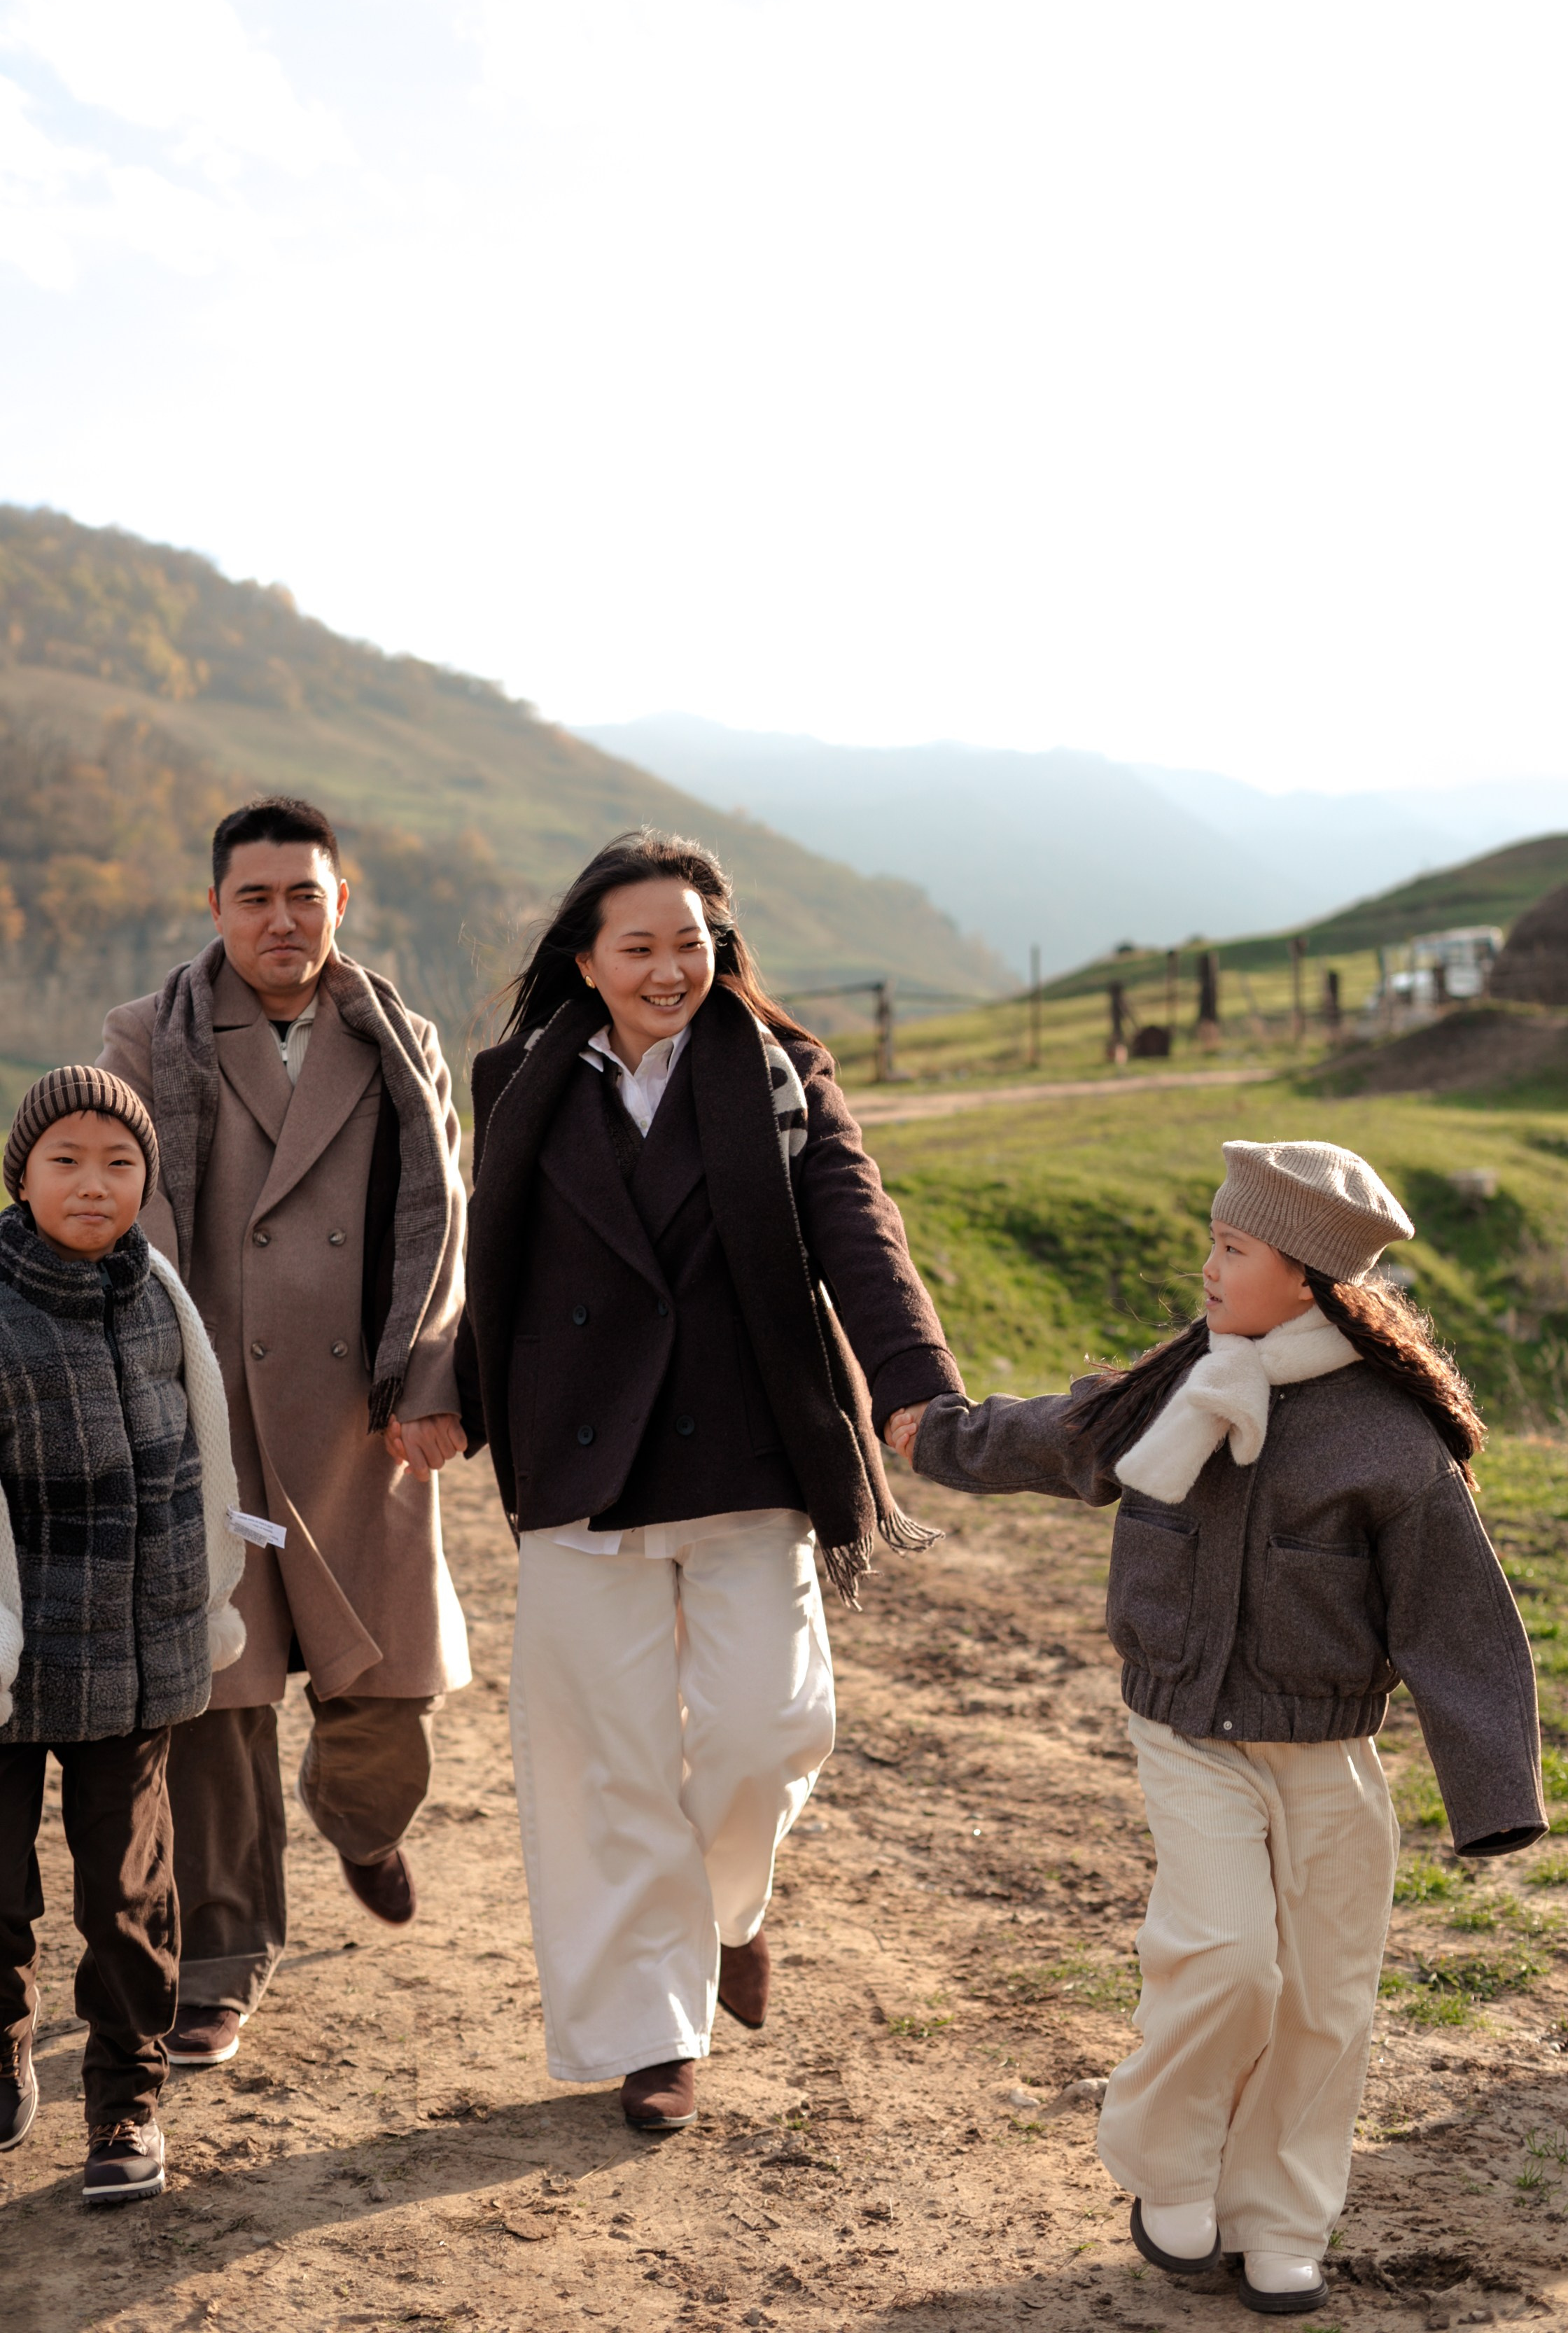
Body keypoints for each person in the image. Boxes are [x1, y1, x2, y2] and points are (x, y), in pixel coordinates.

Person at [895, 1139, 1546, 2316]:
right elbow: (1056, 1436)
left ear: (1304, 1275)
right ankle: (1169, 2167)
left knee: (1325, 1999)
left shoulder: (1389, 1446)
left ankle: (1280, 2218)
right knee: (1229, 1961)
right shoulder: (1173, 1387)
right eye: (1213, 1237)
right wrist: (932, 1434)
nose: (1208, 1263)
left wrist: (1494, 1795)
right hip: (1187, 1732)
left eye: (1232, 1247)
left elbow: (1460, 1624)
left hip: (1328, 1751)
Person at [456, 829, 961, 2131]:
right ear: (588, 957)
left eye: (694, 942)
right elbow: (496, 1265)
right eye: (643, 946)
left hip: (748, 1444)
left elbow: (856, 1222)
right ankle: (654, 2034)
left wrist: (914, 1387)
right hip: (577, 1456)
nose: (674, 967)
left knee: (766, 1729)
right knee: (602, 1765)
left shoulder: (782, 1072)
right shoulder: (518, 1079)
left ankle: (732, 1903)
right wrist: (445, 1402)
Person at [98, 797, 469, 2071]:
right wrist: (148, 1394)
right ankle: (223, 1960)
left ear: (340, 902)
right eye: (254, 898)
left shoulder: (400, 1042)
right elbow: (126, 1217)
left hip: (363, 1418)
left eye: (304, 895)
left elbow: (443, 1221)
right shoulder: (147, 1038)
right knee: (221, 1699)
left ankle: (361, 1826)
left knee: (391, 1689)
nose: (281, 919)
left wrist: (430, 1372)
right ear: (216, 909)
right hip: (211, 1418)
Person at [0, 1068, 246, 2203]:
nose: (93, 1186)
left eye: (119, 1164)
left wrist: (200, 1615)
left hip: (129, 1662)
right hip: (5, 1661)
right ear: (20, 1176)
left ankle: (127, 2107)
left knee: (130, 1897)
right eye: (66, 1162)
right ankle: (3, 2046)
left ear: (147, 1179)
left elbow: (203, 1466)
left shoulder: (161, 1301)